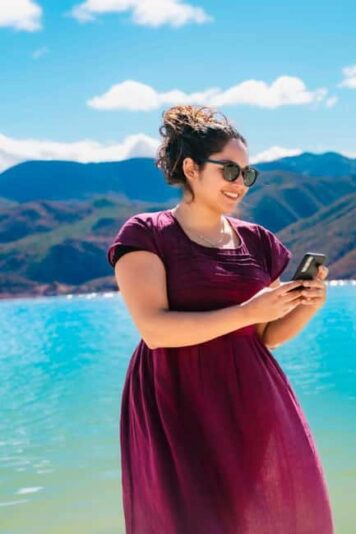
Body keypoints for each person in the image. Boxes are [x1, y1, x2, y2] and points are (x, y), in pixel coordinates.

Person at [106, 104, 334, 533]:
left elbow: (264, 336)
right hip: (175, 395)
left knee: (261, 511)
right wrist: (247, 311)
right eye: (229, 170)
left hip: (251, 393)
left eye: (247, 175)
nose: (239, 184)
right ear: (190, 168)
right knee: (191, 517)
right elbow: (155, 331)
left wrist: (306, 305)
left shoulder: (259, 241)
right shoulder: (146, 234)